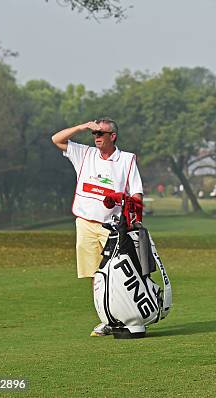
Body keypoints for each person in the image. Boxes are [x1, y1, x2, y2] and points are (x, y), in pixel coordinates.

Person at [51, 117, 144, 337]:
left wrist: (134, 218)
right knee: (97, 275)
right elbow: (56, 139)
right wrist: (82, 126)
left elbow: (136, 193)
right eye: (94, 134)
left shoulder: (127, 160)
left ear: (113, 136)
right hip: (85, 223)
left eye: (101, 133)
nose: (96, 137)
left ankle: (127, 315)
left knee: (119, 273)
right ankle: (106, 319)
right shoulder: (85, 153)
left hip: (112, 226)